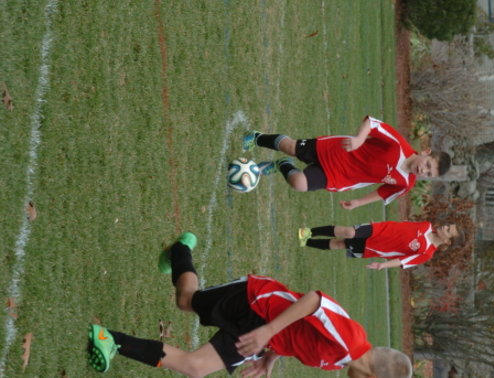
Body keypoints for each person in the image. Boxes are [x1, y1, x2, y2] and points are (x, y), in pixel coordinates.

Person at [87, 233, 412, 377]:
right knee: (186, 302)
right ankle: (180, 250)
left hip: (259, 338)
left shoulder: (341, 361)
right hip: (256, 303)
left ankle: (110, 340)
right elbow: (315, 301)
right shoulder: (351, 341)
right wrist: (269, 331)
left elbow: (302, 336)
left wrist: (271, 356)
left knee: (195, 368)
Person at [243, 115, 451, 210]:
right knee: (291, 147)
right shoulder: (398, 145)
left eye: (428, 174)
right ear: (426, 152)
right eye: (428, 165)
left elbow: (382, 193)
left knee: (299, 183)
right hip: (336, 150)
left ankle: (281, 165)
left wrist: (359, 202)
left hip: (340, 177)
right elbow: (372, 123)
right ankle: (258, 138)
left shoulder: (406, 184)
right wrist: (359, 139)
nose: (423, 170)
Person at [298, 221, 463, 270]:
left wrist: (382, 265)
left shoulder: (426, 253)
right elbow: (402, 225)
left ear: (447, 241)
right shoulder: (426, 225)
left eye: (448, 230)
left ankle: (306, 242)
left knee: (341, 244)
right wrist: (380, 225)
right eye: (448, 225)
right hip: (378, 229)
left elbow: (403, 261)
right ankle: (308, 231)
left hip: (375, 247)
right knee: (348, 231)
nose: (445, 227)